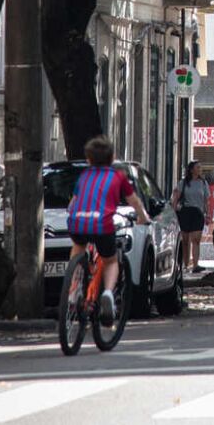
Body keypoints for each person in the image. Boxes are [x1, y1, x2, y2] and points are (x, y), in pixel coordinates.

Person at [65, 135, 148, 324]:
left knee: (78, 246)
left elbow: (73, 204)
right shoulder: (117, 176)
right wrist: (143, 217)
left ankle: (73, 288)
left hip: (77, 223)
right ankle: (109, 294)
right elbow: (134, 200)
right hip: (102, 225)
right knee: (110, 261)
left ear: (88, 159)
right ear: (111, 159)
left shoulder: (84, 176)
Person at [171, 160, 212, 273]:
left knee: (196, 239)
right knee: (185, 240)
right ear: (191, 169)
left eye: (200, 167)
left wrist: (208, 214)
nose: (200, 169)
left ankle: (195, 264)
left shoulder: (203, 183)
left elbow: (206, 200)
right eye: (197, 167)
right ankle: (185, 264)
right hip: (185, 212)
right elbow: (176, 198)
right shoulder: (183, 183)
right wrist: (173, 213)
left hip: (198, 213)